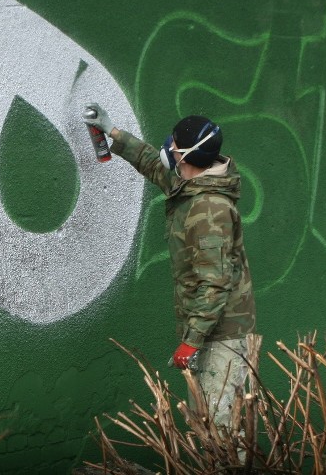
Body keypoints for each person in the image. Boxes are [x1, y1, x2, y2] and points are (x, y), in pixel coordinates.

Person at [83, 103, 256, 431]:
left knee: (218, 428)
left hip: (222, 332)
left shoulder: (209, 210)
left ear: (184, 154)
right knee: (204, 419)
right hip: (208, 324)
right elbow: (152, 163)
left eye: (174, 142)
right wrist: (113, 132)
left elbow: (216, 282)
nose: (168, 146)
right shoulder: (192, 183)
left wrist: (191, 340)